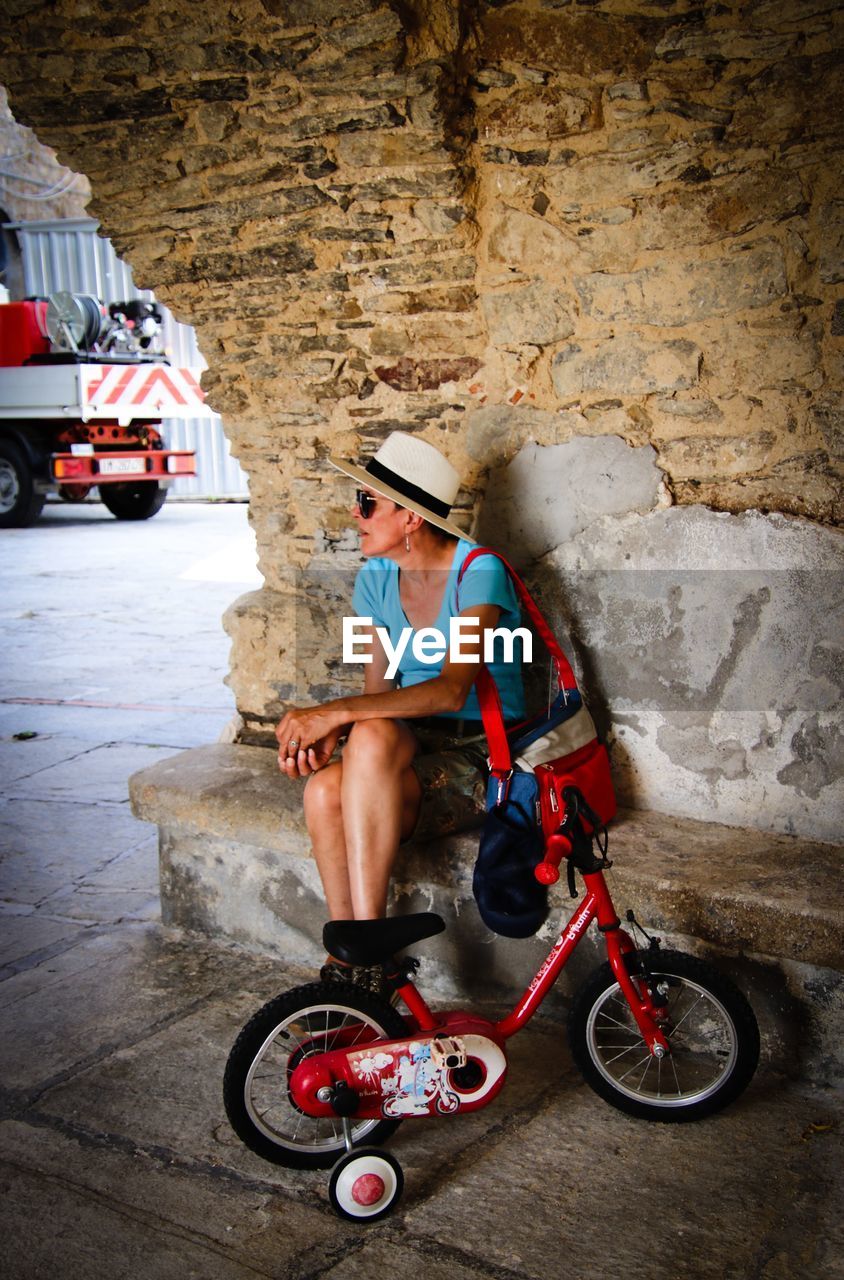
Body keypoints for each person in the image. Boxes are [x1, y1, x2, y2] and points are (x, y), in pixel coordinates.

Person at [275, 430, 525, 982]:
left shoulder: (478, 571)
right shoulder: (376, 579)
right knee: (322, 788)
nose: (355, 512)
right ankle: (353, 960)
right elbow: (376, 697)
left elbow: (450, 690)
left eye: (368, 502)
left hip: (486, 749)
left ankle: (364, 956)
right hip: (414, 741)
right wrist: (330, 733)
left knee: (362, 736)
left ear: (410, 517)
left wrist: (335, 714)